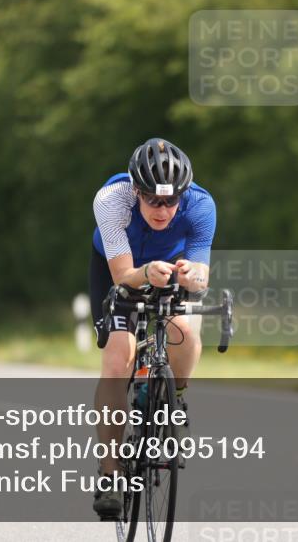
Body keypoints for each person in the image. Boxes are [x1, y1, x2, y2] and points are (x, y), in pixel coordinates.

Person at [89, 137, 216, 519]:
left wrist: (193, 275)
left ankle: (175, 395)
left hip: (170, 268)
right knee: (117, 361)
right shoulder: (111, 201)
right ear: (136, 191)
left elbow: (203, 273)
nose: (162, 211)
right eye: (153, 201)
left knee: (187, 332)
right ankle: (110, 473)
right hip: (121, 269)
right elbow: (123, 275)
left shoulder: (202, 205)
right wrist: (144, 273)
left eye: (171, 201)